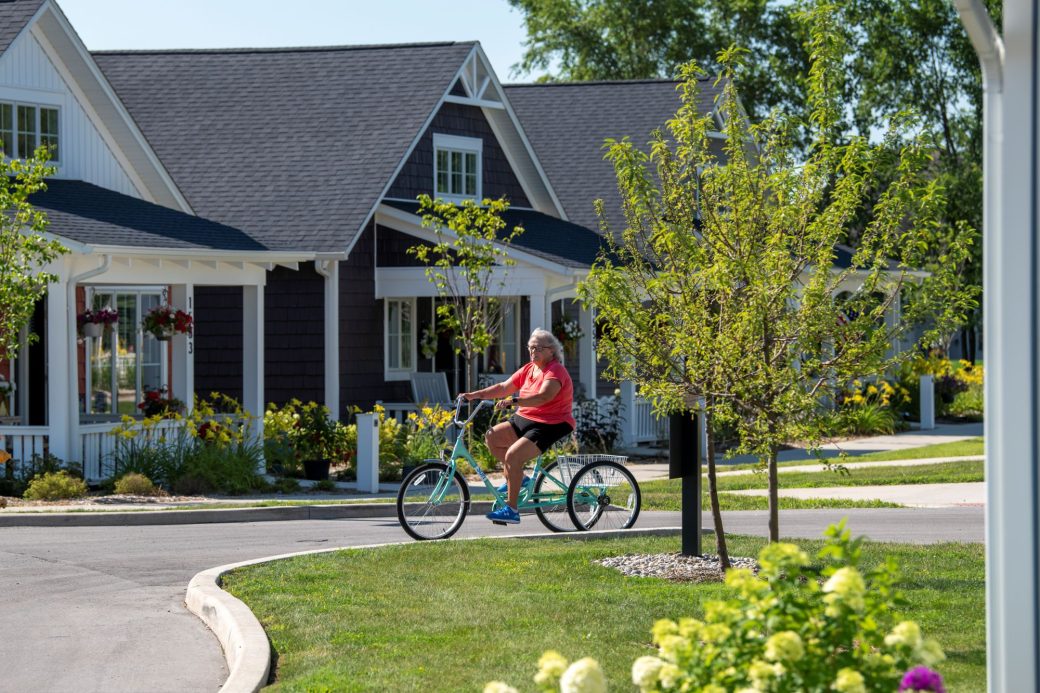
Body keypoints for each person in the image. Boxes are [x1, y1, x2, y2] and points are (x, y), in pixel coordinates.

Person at [461, 328, 576, 524]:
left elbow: (544, 397)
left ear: (551, 351)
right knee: (492, 437)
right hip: (526, 417)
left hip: (551, 422)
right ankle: (521, 479)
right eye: (530, 348)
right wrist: (474, 395)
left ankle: (512, 510)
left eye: (538, 348)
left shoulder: (555, 370)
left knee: (513, 456)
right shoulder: (529, 369)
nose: (533, 351)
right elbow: (503, 387)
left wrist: (514, 401)